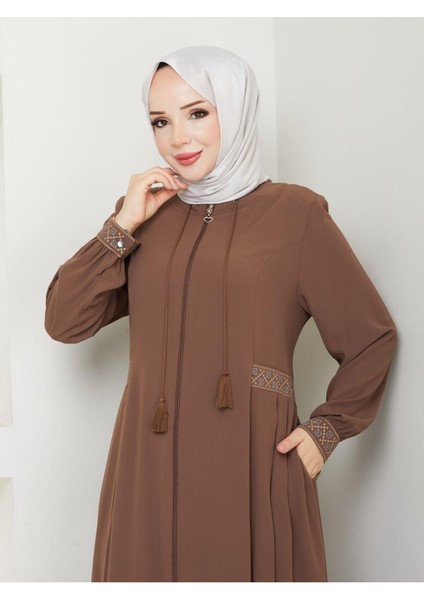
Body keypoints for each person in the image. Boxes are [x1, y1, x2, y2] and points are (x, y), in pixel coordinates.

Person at [44, 45, 398, 582]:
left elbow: (371, 338)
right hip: (146, 470)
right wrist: (123, 224)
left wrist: (325, 432)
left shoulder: (296, 214)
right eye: (160, 121)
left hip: (252, 469)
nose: (177, 138)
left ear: (235, 108)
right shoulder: (148, 215)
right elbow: (65, 320)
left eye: (197, 113)